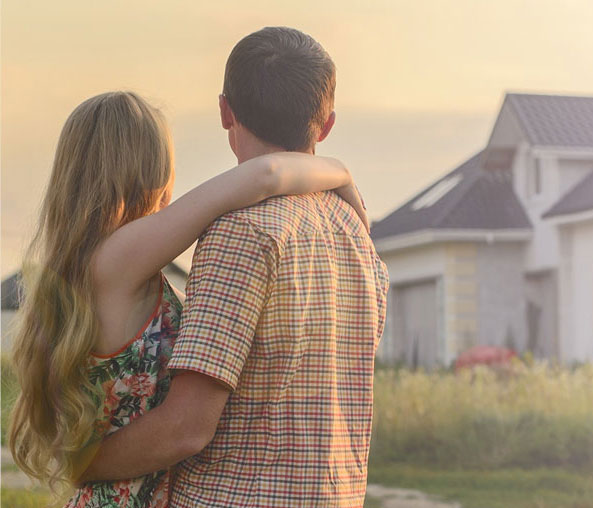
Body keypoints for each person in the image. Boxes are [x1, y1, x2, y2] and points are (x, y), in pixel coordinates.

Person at [7, 90, 369, 507]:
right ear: (152, 170)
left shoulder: (90, 266)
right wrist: (338, 171)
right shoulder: (119, 257)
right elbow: (265, 175)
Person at [79, 27, 390, 507]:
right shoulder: (357, 234)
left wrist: (83, 462)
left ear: (226, 111)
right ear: (325, 126)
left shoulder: (239, 233)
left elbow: (186, 428)